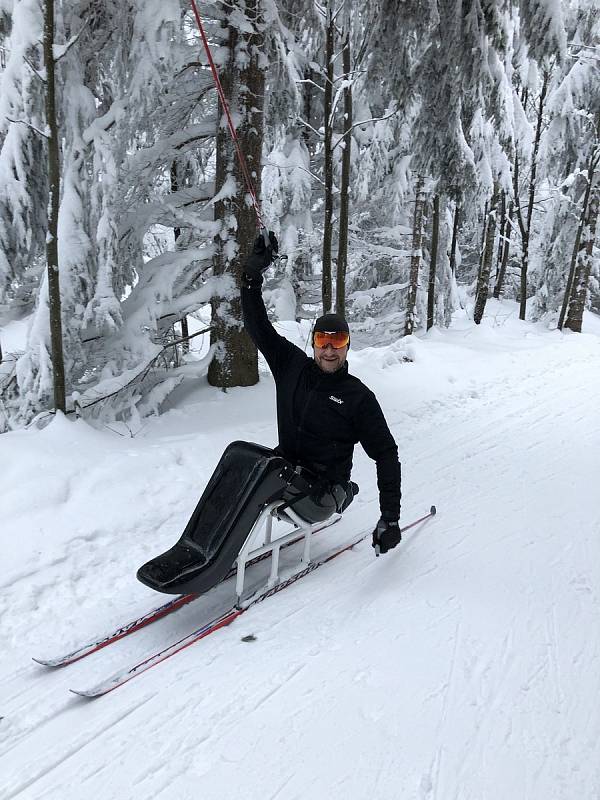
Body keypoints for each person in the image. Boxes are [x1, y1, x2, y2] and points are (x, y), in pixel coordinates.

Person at [241, 232, 402, 555]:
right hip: (286, 473)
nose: (330, 351)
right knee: (240, 461)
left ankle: (346, 492)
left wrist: (390, 520)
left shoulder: (358, 398)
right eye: (323, 342)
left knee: (266, 472)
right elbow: (258, 326)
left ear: (347, 346)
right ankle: (207, 552)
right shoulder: (291, 366)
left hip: (321, 493)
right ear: (313, 342)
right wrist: (250, 277)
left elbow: (386, 455)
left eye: (338, 342)